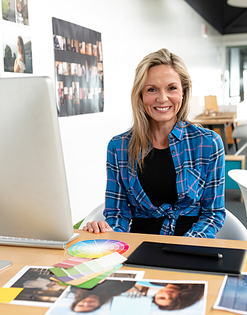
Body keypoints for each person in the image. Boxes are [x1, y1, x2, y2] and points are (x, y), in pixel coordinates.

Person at [83, 48, 225, 237]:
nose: (162, 98)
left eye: (171, 88)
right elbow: (117, 214)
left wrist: (185, 246)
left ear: (183, 92)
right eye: (152, 89)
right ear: (141, 96)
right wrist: (109, 233)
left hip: (192, 245)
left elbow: (213, 214)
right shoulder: (118, 147)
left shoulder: (208, 143)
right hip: (138, 247)